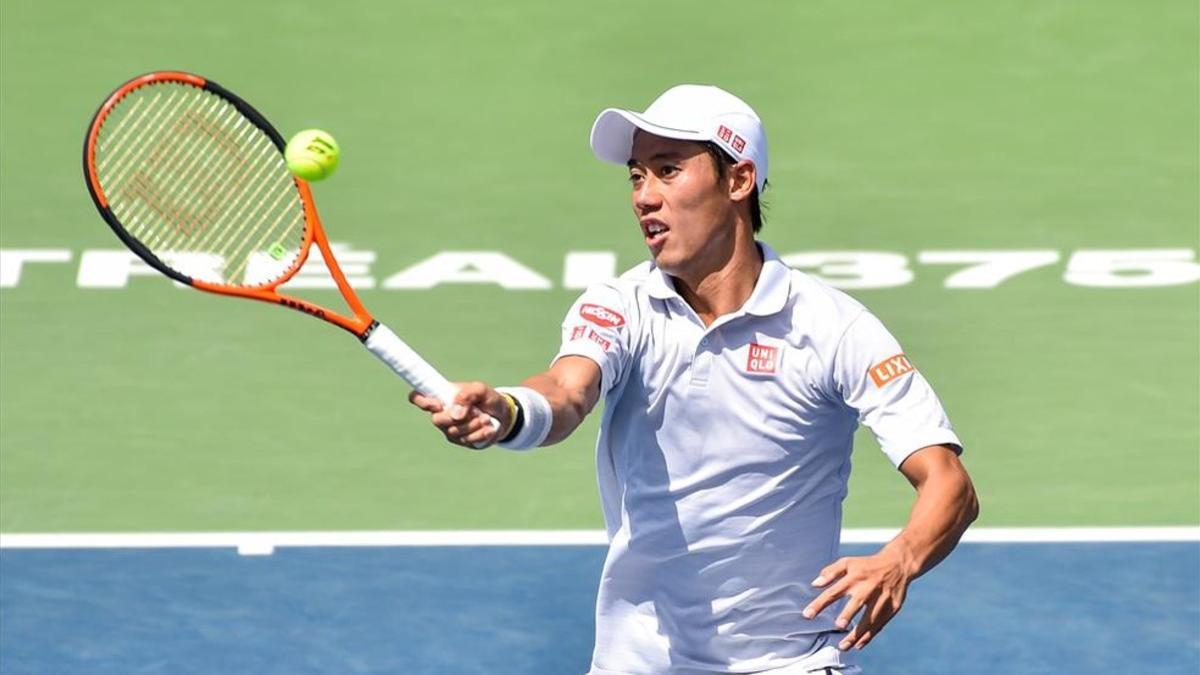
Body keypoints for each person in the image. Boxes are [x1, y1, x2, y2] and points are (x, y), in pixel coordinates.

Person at [409, 85, 979, 674]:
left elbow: (949, 483)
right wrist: (508, 411)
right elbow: (568, 391)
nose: (644, 198)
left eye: (668, 171)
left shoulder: (834, 328)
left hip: (791, 663)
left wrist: (900, 558)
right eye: (636, 176)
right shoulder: (619, 305)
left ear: (738, 181)